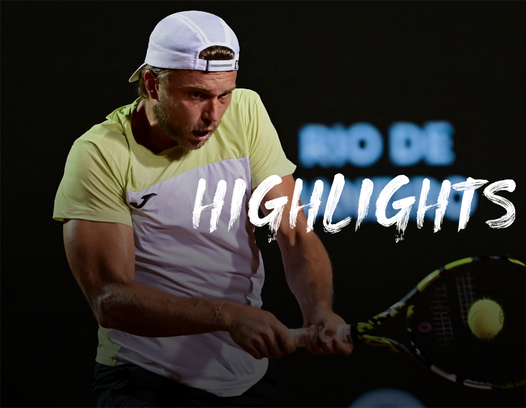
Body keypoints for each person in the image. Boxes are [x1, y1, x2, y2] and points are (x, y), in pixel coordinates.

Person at [53, 10, 352, 407]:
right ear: (152, 84)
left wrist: (318, 309)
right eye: (195, 95)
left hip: (245, 377)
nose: (213, 115)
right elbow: (110, 299)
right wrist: (227, 316)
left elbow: (293, 232)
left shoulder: (246, 111)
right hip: (143, 380)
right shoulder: (98, 153)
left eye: (223, 95)